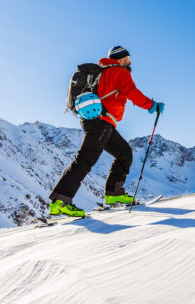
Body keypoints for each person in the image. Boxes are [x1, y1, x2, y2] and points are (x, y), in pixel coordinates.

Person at [48, 46, 165, 217]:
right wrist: (151, 105)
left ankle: (114, 193)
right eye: (128, 57)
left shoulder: (105, 72)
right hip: (100, 123)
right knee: (85, 159)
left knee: (124, 153)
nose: (130, 61)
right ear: (120, 59)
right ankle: (60, 201)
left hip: (103, 122)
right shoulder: (119, 72)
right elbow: (131, 92)